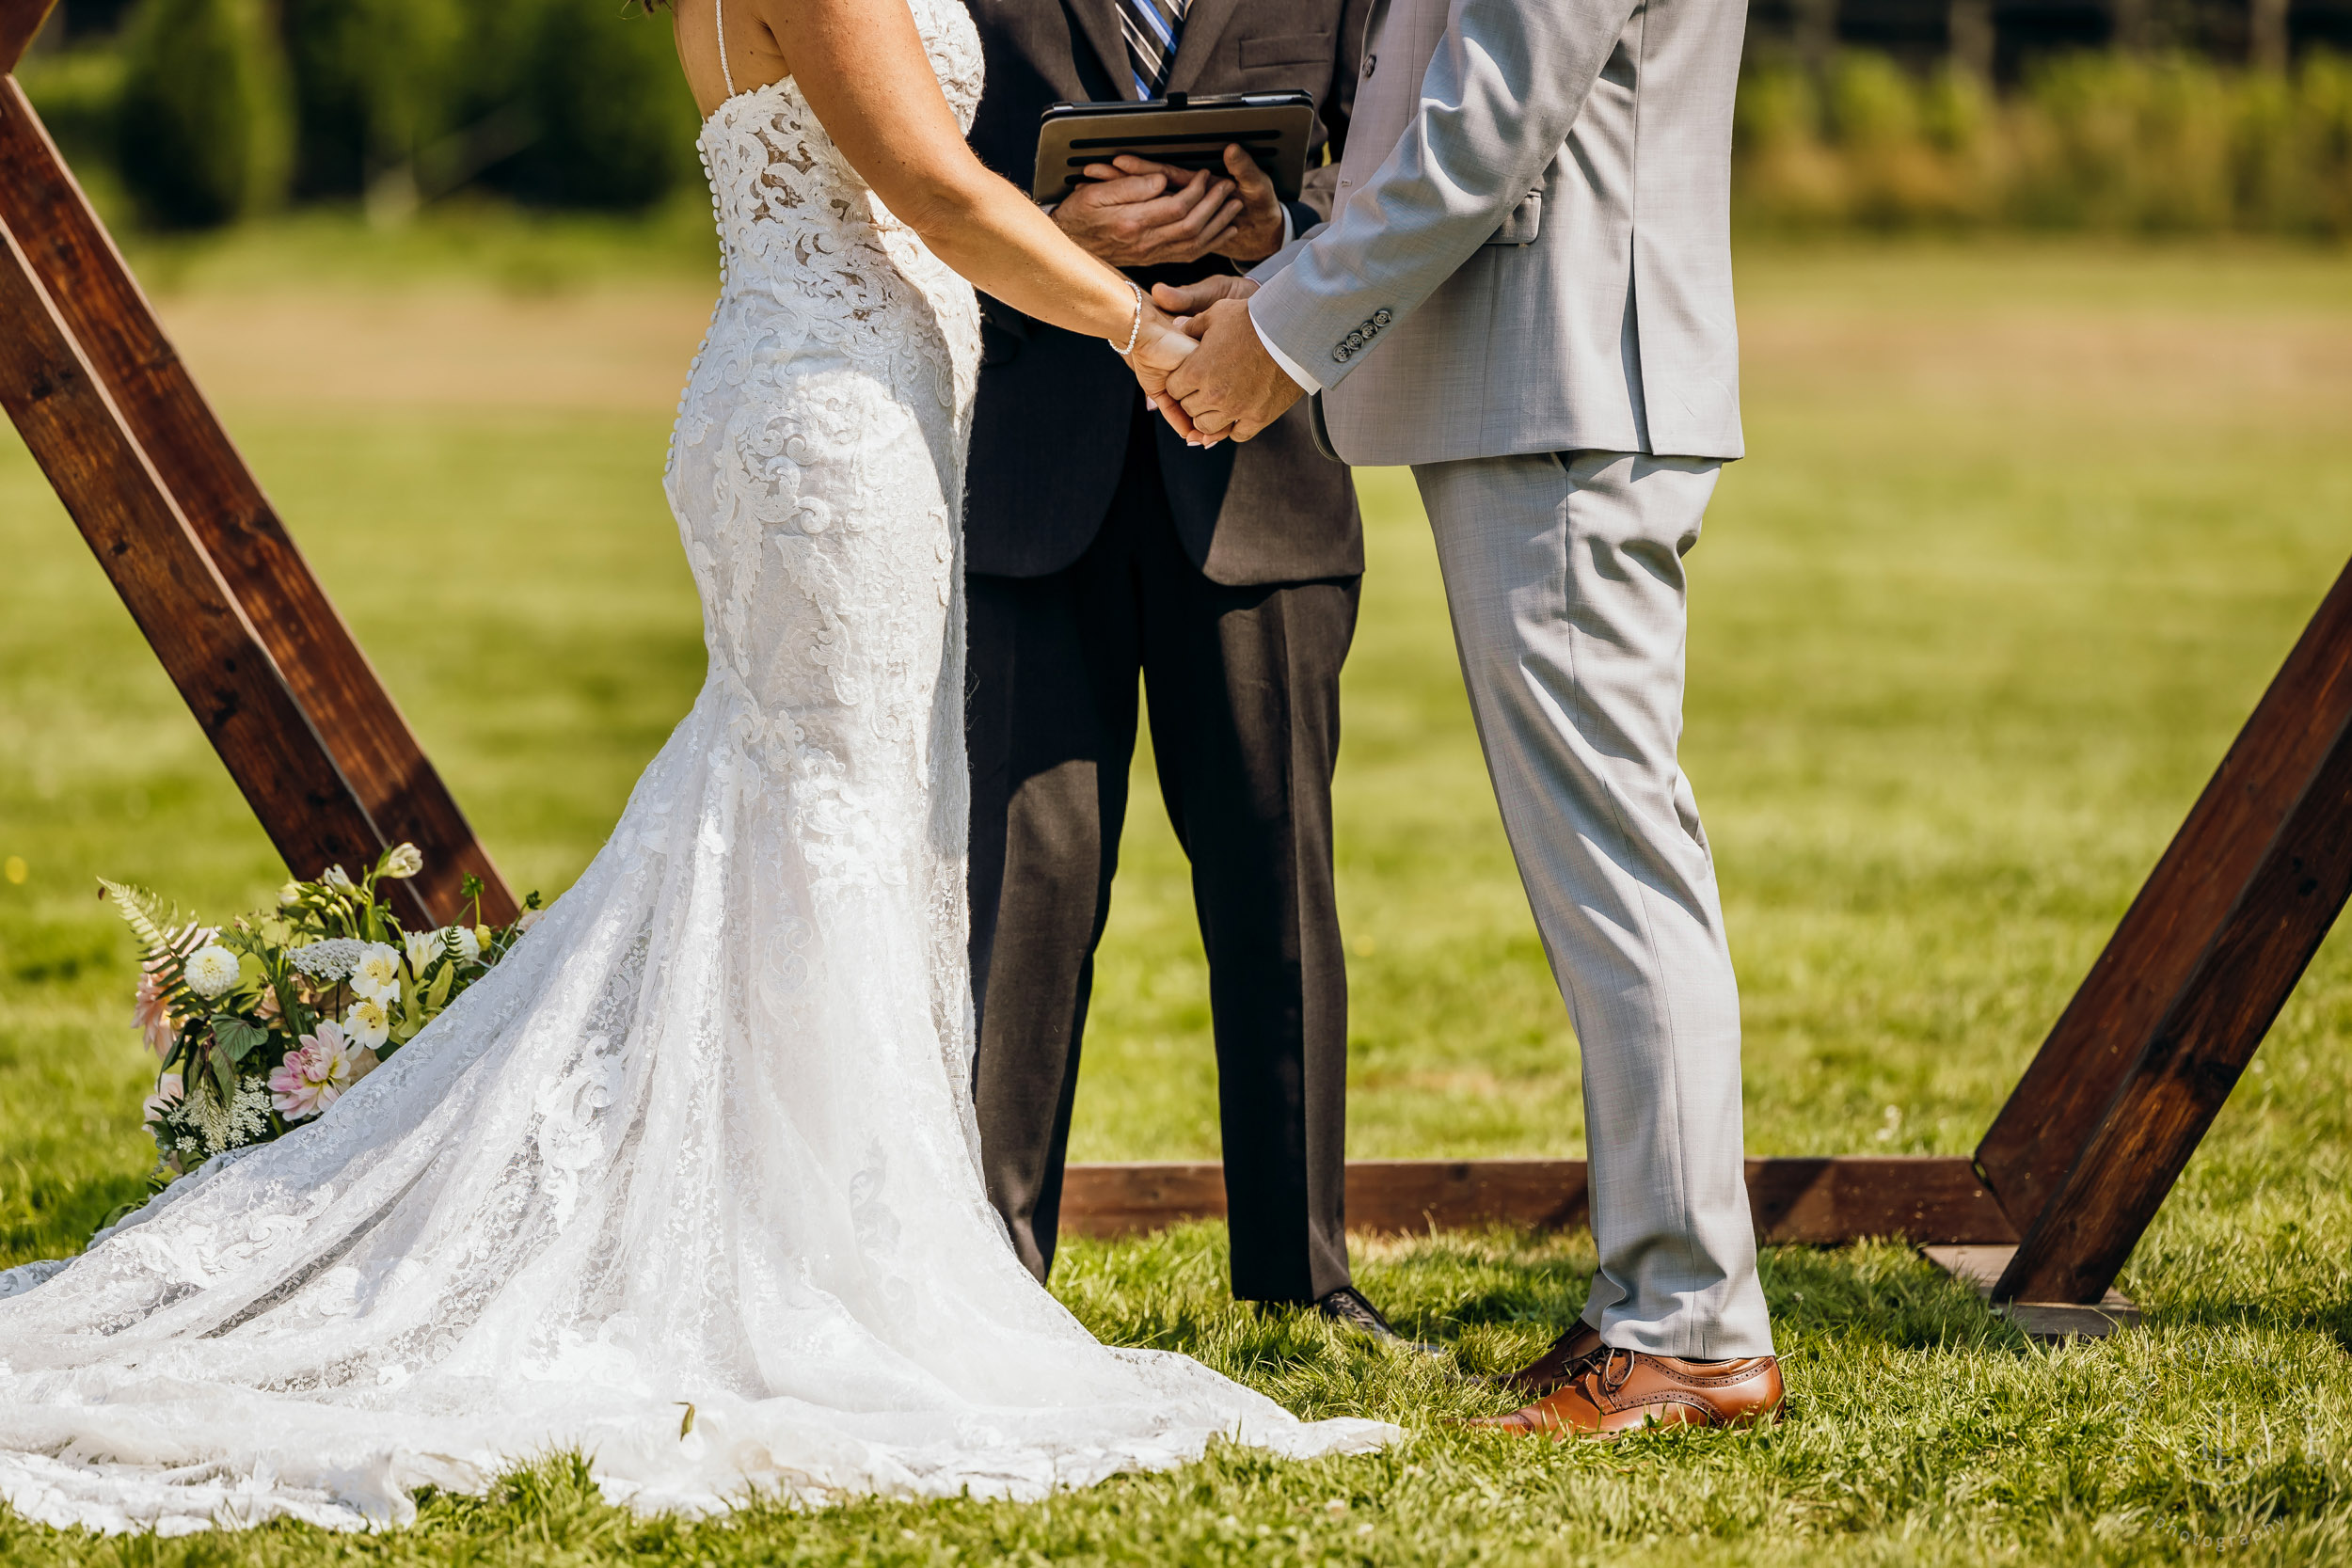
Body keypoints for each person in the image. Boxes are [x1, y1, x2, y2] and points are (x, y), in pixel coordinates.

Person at [0, 0, 1393, 1533]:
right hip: (833, 418)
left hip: (872, 393)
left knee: (823, 826)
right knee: (827, 822)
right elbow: (930, 185)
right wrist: (1141, 329)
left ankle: (819, 1232)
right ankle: (827, 1264)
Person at [1150, 0, 1786, 1434]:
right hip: (1562, 387)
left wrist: (1285, 329)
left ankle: (1687, 1325)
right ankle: (1661, 1300)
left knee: (1615, 866)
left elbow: (1490, 125)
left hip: (1565, 392)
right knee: (1609, 864)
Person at [958, 0, 1406, 1338]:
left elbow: (1393, 179)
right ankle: (983, 1281)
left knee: (1280, 891)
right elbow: (906, 182)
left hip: (1265, 484)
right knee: (1015, 905)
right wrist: (1053, 248)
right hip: (1029, 481)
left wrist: (1279, 239)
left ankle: (1302, 1284)